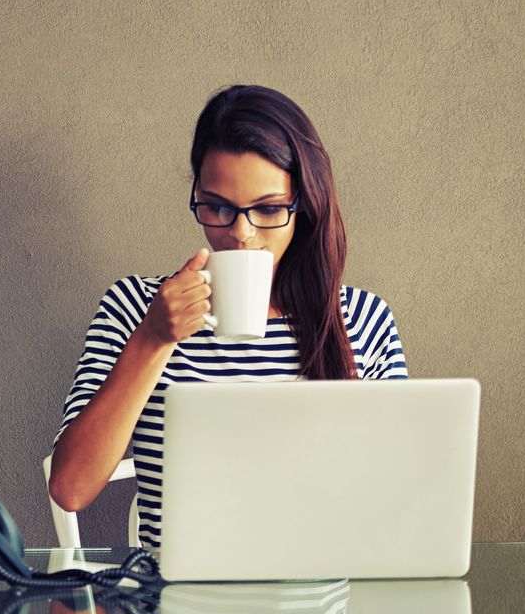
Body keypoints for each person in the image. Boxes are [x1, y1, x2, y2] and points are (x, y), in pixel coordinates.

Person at [48, 85, 407, 550]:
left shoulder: (361, 320)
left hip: (322, 590)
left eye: (269, 209)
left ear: (305, 205)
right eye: (217, 207)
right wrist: (153, 339)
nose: (241, 233)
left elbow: (398, 500)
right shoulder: (136, 306)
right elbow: (71, 488)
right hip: (176, 592)